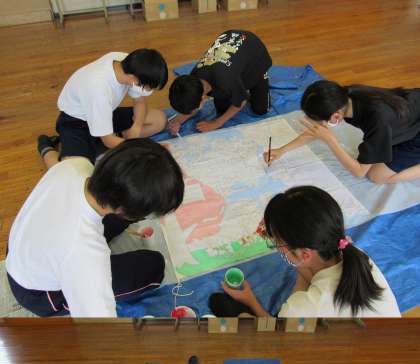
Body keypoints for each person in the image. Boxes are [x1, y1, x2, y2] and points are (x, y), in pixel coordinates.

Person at [6, 139, 184, 317]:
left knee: (119, 218)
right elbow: (97, 325)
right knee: (154, 266)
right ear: (123, 210)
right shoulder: (84, 253)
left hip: (22, 249)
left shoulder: (74, 165)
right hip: (38, 292)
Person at [209, 186, 400, 317]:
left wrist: (252, 304)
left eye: (276, 243)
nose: (275, 245)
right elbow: (305, 271)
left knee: (237, 316)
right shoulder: (355, 254)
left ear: (305, 255)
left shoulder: (304, 308)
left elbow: (277, 337)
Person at [265, 80, 420, 184]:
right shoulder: (345, 96)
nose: (317, 126)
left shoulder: (377, 120)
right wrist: (282, 150)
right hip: (409, 115)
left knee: (377, 176)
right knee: (378, 156)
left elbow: (359, 172)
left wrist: (331, 140)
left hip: (415, 131)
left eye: (318, 120)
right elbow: (317, 131)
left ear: (336, 116)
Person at [38, 49, 169, 166]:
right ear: (133, 78)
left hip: (104, 112)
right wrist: (148, 148)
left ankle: (104, 141)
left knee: (159, 119)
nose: (149, 91)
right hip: (75, 122)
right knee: (73, 173)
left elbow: (139, 101)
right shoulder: (99, 90)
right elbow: (108, 140)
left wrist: (137, 126)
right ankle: (46, 146)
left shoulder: (127, 62)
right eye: (148, 88)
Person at [168, 30, 272, 135]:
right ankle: (238, 85)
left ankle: (254, 80)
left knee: (261, 109)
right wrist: (178, 121)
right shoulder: (193, 79)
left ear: (203, 98)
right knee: (222, 110)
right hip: (231, 51)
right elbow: (194, 103)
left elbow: (241, 102)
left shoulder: (225, 80)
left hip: (254, 52)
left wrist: (216, 123)